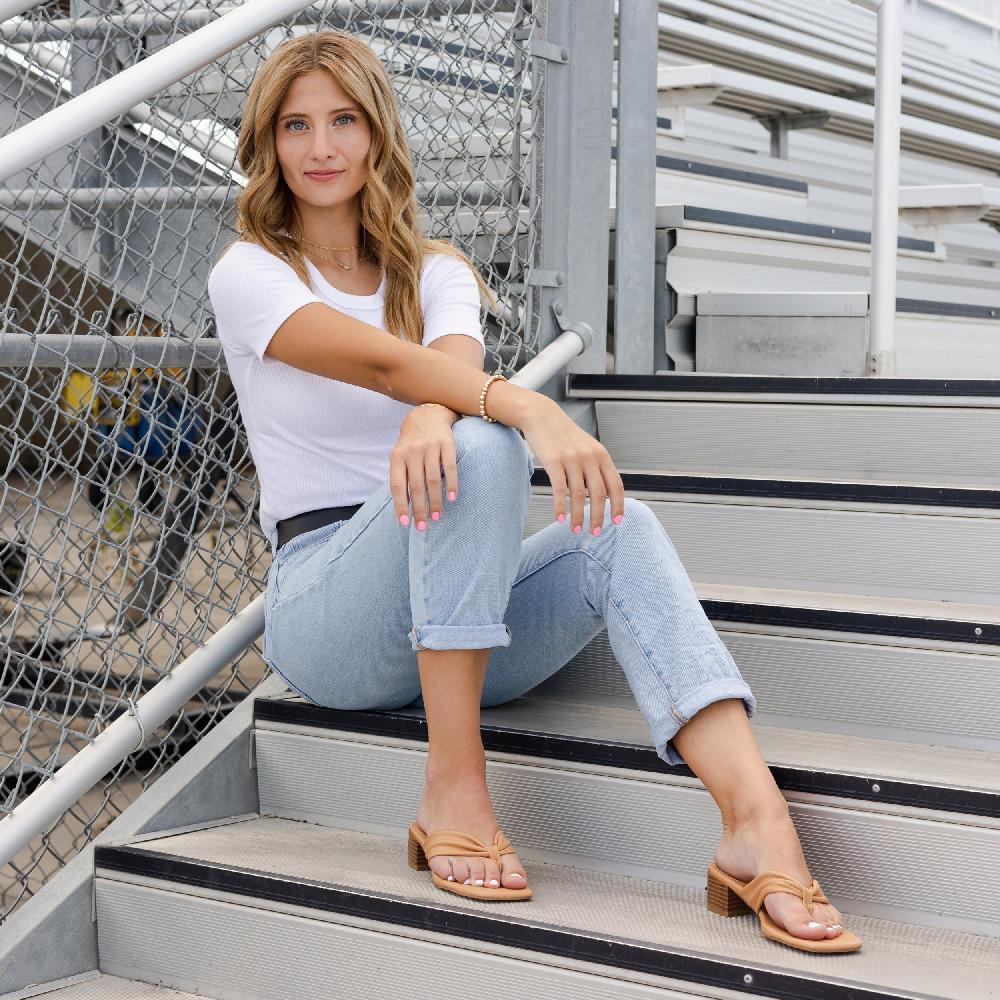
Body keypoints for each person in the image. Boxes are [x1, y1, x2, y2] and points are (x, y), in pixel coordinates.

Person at [207, 30, 860, 954]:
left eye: (343, 121)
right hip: (329, 610)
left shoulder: (437, 272)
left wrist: (441, 414)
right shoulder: (251, 274)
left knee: (616, 527)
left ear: (376, 133)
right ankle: (454, 789)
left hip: (461, 615)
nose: (321, 148)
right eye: (296, 126)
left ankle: (757, 825)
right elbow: (395, 368)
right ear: (267, 144)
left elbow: (442, 377)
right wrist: (527, 412)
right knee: (482, 438)